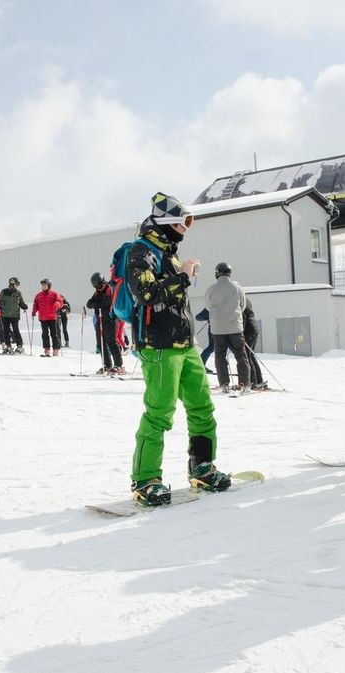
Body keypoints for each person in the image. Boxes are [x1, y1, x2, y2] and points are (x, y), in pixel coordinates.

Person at [126, 192, 231, 506]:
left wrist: (180, 274)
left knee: (202, 407)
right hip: (158, 347)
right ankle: (145, 480)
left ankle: (201, 465)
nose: (186, 229)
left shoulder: (167, 253)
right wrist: (183, 276)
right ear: (166, 222)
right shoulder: (140, 251)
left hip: (184, 344)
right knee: (159, 414)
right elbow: (144, 293)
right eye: (183, 222)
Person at [205, 262, 251, 395]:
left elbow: (208, 306)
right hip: (235, 327)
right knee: (241, 355)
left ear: (217, 272)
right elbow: (242, 306)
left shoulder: (211, 288)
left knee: (220, 356)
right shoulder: (237, 288)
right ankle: (245, 384)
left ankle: (224, 384)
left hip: (218, 329)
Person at [86, 272, 125, 375]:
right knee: (101, 344)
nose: (98, 288)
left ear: (102, 282)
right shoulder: (97, 292)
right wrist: (96, 304)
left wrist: (96, 304)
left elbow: (107, 301)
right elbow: (89, 303)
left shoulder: (110, 288)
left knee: (111, 342)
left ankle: (119, 365)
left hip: (111, 319)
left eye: (99, 285)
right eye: (96, 287)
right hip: (100, 320)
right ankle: (107, 365)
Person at [32, 278, 65, 356]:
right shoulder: (38, 295)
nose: (43, 286)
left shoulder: (54, 294)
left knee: (54, 334)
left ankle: (56, 349)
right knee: (44, 334)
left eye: (45, 285)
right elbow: (35, 304)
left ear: (49, 285)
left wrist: (56, 304)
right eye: (42, 285)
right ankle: (47, 349)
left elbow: (60, 302)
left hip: (52, 318)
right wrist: (34, 311)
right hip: (43, 318)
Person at [0, 277, 27, 354]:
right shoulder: (4, 292)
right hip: (5, 314)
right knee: (6, 331)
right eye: (16, 284)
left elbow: (21, 303)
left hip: (15, 315)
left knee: (16, 330)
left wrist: (24, 306)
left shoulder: (18, 293)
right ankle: (8, 346)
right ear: (12, 284)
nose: (17, 286)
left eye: (18, 284)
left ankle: (19, 346)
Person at [242, 298, 266, 389]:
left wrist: (241, 332)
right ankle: (259, 380)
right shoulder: (246, 300)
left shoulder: (239, 301)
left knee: (247, 356)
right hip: (254, 328)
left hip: (248, 330)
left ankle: (253, 381)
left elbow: (243, 317)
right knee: (251, 355)